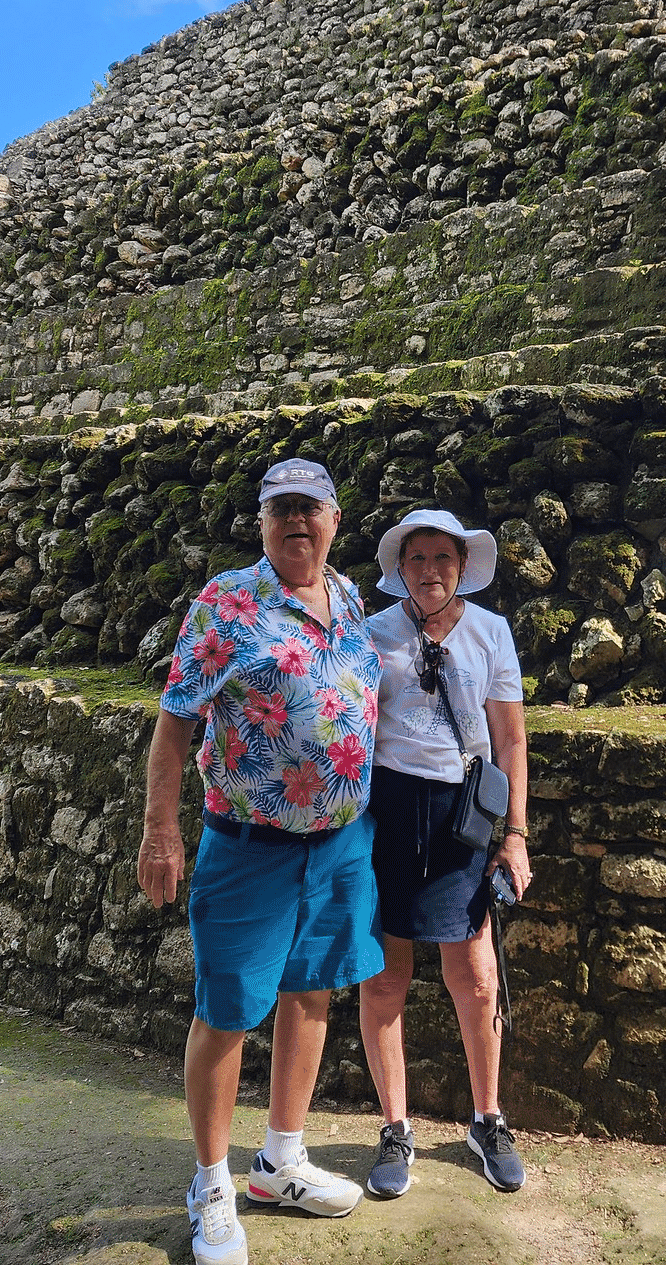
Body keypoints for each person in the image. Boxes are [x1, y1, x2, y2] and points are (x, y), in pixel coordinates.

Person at [136, 458, 382, 1265]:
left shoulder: (347, 597)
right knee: (229, 1011)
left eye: (310, 509)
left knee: (312, 993)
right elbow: (175, 725)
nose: (296, 523)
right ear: (263, 522)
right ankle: (212, 1184)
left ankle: (279, 1162)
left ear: (336, 520)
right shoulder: (228, 602)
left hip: (339, 842)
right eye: (282, 510)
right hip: (251, 847)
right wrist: (160, 831)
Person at [356, 508, 533, 1199]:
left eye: (443, 558)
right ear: (400, 568)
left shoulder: (491, 632)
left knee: (477, 975)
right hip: (386, 811)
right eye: (417, 558)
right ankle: (395, 1127)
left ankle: (487, 1119)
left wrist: (513, 835)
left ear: (463, 567)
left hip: (463, 815)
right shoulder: (373, 634)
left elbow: (511, 741)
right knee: (385, 977)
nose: (430, 571)